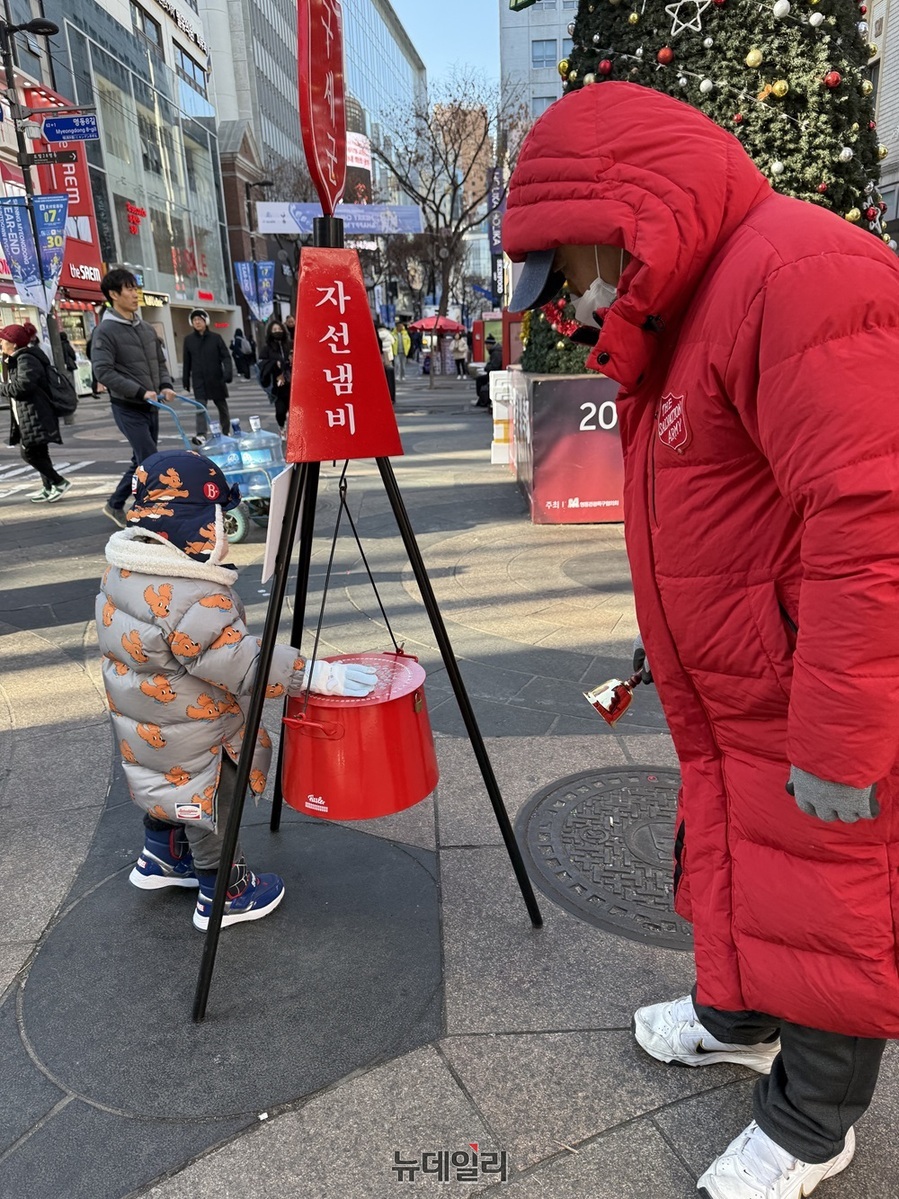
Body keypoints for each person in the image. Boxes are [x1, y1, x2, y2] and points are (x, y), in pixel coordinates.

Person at [504, 81, 899, 1199]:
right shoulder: (690, 309)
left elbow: (874, 519)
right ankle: (738, 1015)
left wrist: (836, 735)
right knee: (733, 850)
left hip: (811, 686)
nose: (563, 308)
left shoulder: (795, 273)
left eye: (562, 274)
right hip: (738, 676)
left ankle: (812, 1121)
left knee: (829, 886)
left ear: (610, 221)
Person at [96, 450, 377, 929]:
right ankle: (223, 891)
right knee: (213, 806)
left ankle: (161, 858)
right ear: (192, 527)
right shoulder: (194, 595)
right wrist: (309, 673)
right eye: (219, 521)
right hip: (201, 729)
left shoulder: (124, 569)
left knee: (166, 787)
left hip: (149, 721)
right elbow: (237, 660)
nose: (225, 534)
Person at [90, 268, 176, 527]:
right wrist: (140, 391)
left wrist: (165, 384)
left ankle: (115, 503)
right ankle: (153, 513)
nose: (134, 293)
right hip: (127, 406)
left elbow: (159, 361)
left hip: (151, 404)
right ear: (114, 295)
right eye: (128, 289)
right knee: (150, 459)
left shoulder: (146, 328)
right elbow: (103, 371)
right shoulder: (105, 331)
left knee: (141, 458)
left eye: (134, 287)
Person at [0, 324, 70, 503]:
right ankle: (48, 487)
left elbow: (23, 386)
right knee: (40, 453)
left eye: (3, 340)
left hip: (35, 414)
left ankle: (58, 481)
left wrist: (2, 388)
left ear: (14, 344)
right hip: (27, 415)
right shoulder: (17, 358)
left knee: (29, 453)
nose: (1, 343)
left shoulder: (26, 359)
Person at [182, 309, 233, 442]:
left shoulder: (216, 338)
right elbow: (186, 362)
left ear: (206, 321)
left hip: (216, 378)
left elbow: (226, 357)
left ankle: (226, 431)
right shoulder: (189, 340)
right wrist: (185, 380)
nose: (197, 322)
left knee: (222, 406)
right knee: (200, 407)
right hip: (199, 379)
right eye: (194, 320)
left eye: (200, 319)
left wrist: (228, 373)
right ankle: (201, 434)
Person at [256, 320, 292, 430]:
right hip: (278, 383)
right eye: (275, 330)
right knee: (280, 410)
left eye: (280, 329)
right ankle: (282, 426)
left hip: (292, 381)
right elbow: (261, 363)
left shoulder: (290, 344)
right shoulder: (267, 348)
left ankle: (294, 429)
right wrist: (273, 364)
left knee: (294, 408)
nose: (278, 331)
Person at [475, 334, 502, 408]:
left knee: (479, 380)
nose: (486, 347)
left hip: (496, 374)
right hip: (495, 373)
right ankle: (481, 398)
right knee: (480, 379)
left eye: (486, 345)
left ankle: (482, 398)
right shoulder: (495, 351)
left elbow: (495, 366)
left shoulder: (496, 353)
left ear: (490, 345)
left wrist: (486, 368)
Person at [376, 320, 396, 405]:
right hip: (388, 355)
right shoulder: (388, 334)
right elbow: (393, 342)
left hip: (379, 356)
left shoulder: (376, 334)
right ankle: (391, 397)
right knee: (389, 372)